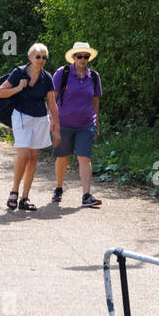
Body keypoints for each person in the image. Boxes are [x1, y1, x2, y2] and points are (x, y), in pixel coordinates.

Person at [0, 42, 61, 212]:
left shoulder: (46, 77)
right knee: (23, 153)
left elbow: (52, 105)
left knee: (33, 157)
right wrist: (18, 87)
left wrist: (57, 127)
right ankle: (14, 192)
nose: (41, 60)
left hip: (40, 119)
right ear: (30, 57)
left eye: (44, 57)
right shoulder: (19, 72)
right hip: (21, 116)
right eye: (38, 57)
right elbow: (0, 92)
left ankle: (25, 197)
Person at [51, 42, 103, 208]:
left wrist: (96, 121)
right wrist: (54, 122)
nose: (82, 59)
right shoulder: (63, 73)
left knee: (84, 158)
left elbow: (95, 100)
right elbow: (53, 98)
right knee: (62, 157)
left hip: (86, 124)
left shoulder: (93, 76)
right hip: (64, 122)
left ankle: (86, 195)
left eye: (85, 56)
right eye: (79, 56)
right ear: (73, 57)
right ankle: (59, 187)